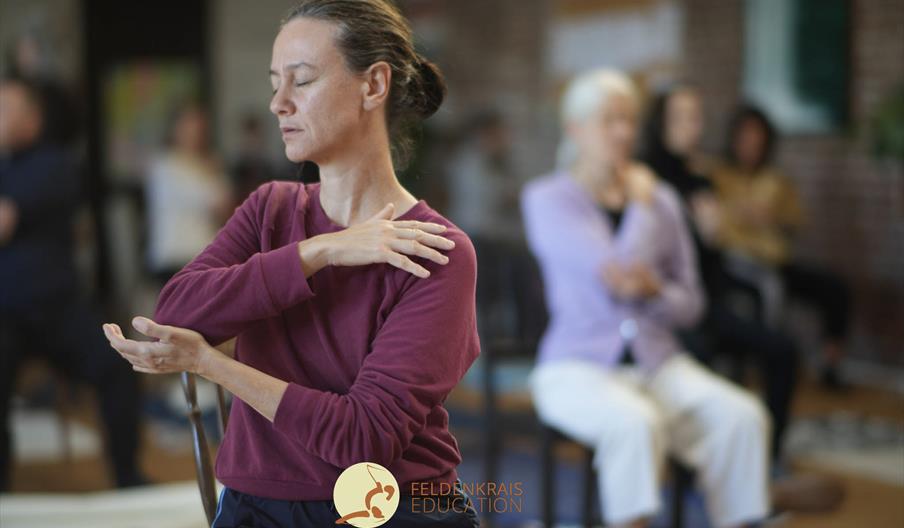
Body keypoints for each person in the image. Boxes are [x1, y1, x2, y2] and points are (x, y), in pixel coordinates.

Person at [101, 1, 480, 526]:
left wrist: (210, 364)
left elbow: (361, 438)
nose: (278, 104)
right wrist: (317, 253)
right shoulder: (270, 210)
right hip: (256, 501)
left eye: (301, 81)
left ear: (373, 86)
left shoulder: (438, 251)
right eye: (275, 82)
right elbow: (176, 312)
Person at [523, 69, 771, 528]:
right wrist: (640, 207)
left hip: (659, 364)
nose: (622, 132)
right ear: (575, 129)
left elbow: (691, 302)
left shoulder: (664, 200)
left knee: (743, 416)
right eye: (608, 120)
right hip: (575, 367)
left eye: (629, 120)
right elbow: (616, 275)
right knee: (635, 423)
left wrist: (656, 290)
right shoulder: (548, 200)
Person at [639, 85, 800, 461]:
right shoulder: (644, 180)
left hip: (706, 304)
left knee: (784, 350)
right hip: (664, 313)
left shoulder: (703, 180)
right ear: (660, 123)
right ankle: (699, 461)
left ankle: (767, 455)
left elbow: (711, 258)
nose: (692, 127)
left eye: (696, 118)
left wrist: (712, 235)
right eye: (682, 118)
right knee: (700, 353)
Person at [0, 75, 144, 490]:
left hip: (57, 311)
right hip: (5, 316)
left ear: (32, 118)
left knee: (118, 369)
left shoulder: (55, 164)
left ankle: (127, 476)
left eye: (7, 109)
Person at [712, 104, 852, 390]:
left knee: (835, 289)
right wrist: (738, 214)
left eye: (758, 141)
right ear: (734, 140)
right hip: (737, 261)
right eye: (745, 140)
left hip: (775, 257)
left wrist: (771, 217)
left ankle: (829, 365)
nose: (751, 147)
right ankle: (762, 363)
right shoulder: (718, 177)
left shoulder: (776, 180)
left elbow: (796, 223)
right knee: (767, 290)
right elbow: (713, 226)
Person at [145, 101, 232, 285]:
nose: (194, 131)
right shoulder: (166, 164)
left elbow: (226, 205)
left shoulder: (206, 162)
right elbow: (212, 201)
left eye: (198, 125)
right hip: (176, 256)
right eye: (188, 124)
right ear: (175, 128)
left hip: (205, 256)